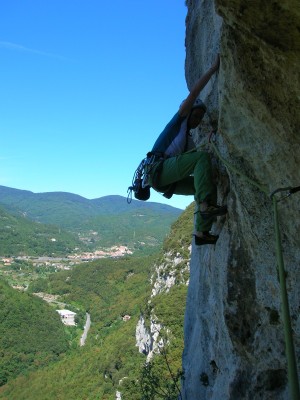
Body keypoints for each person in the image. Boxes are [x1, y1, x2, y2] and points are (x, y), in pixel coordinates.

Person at [146, 55, 227, 246]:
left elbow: (191, 162)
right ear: (188, 110)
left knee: (205, 185)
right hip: (158, 169)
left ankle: (202, 232)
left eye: (201, 117)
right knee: (201, 159)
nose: (198, 119)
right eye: (196, 114)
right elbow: (194, 93)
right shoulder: (178, 121)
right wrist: (213, 69)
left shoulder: (188, 140)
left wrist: (209, 141)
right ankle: (206, 207)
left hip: (163, 180)